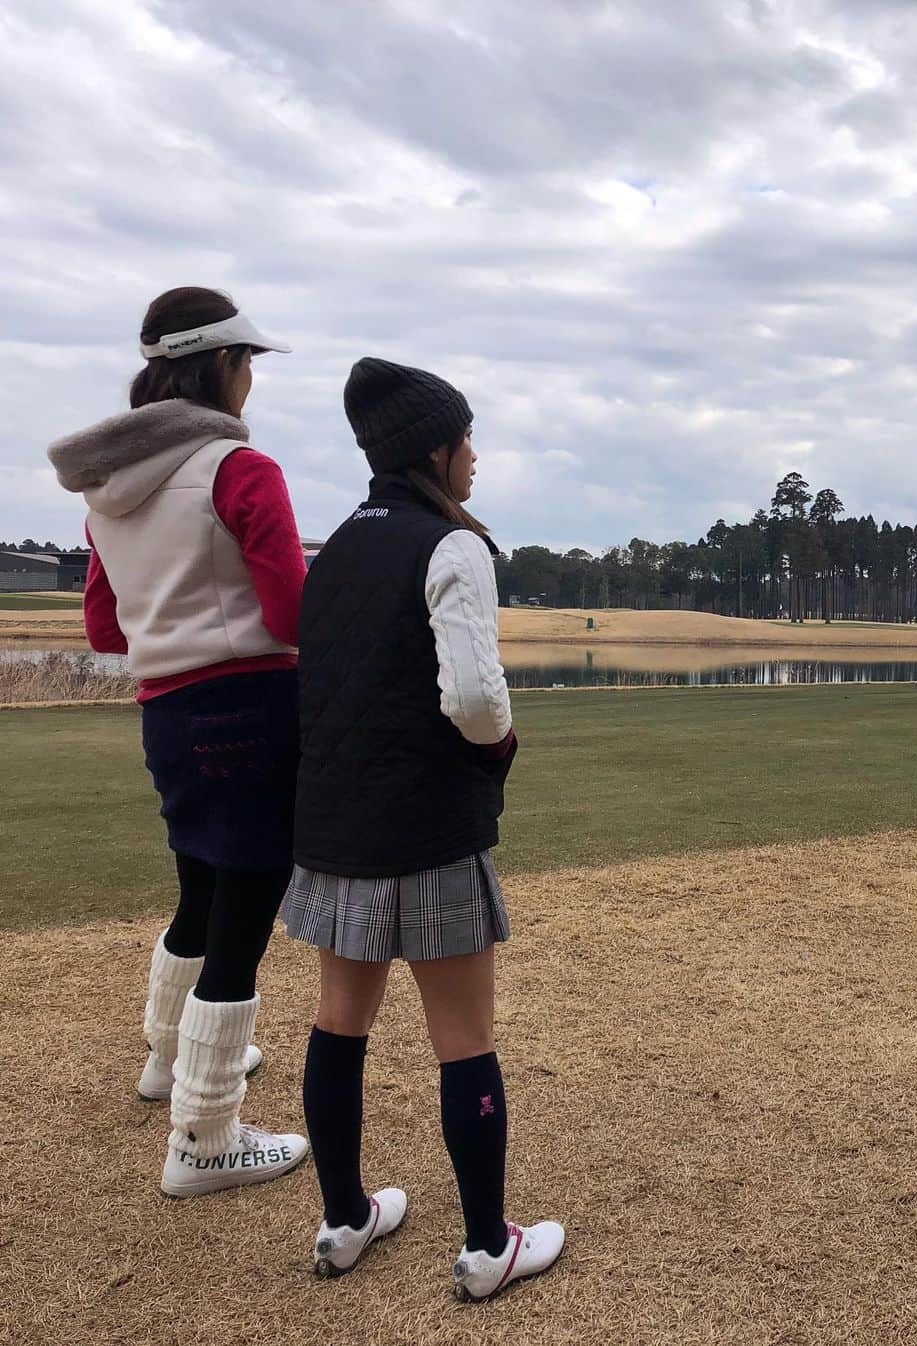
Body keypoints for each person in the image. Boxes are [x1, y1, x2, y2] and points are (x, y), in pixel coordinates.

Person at [281, 357, 565, 1300]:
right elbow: (478, 697)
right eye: (467, 439)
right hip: (431, 828)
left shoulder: (334, 557)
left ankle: (343, 1217)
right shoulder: (451, 548)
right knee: (462, 1035)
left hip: (335, 829)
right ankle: (489, 1245)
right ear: (433, 452)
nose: (475, 458)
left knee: (339, 1023)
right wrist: (500, 746)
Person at [47, 287, 310, 1197]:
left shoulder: (109, 495)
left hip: (167, 709)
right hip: (252, 704)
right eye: (248, 364)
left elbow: (106, 631)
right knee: (244, 914)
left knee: (201, 887)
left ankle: (167, 1059)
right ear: (220, 368)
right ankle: (204, 1138)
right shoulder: (239, 470)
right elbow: (289, 611)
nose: (251, 384)